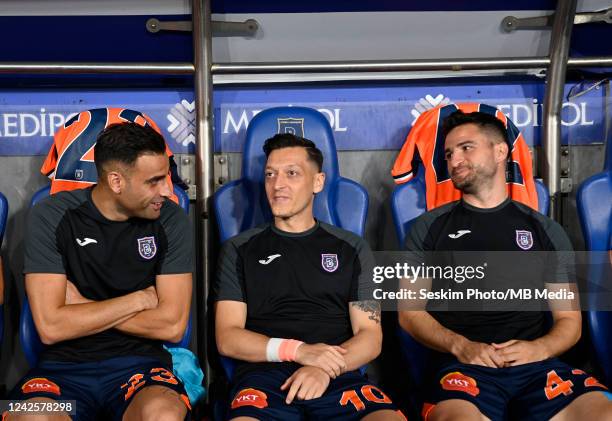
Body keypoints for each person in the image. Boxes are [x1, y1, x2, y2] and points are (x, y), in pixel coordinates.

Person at [398, 110, 612, 421]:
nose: (454, 159)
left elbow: (569, 320)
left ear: (500, 151)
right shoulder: (429, 228)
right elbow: (409, 313)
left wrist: (538, 349)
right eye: (448, 153)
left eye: (466, 148)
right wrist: (461, 346)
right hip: (463, 369)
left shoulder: (544, 230)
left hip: (538, 368)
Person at [6, 123, 193, 421]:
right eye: (154, 181)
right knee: (26, 416)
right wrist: (139, 300)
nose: (168, 190)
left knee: (164, 415)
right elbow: (50, 328)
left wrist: (80, 306)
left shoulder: (172, 219)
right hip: (60, 371)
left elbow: (171, 326)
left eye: (166, 177)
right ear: (116, 181)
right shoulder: (50, 214)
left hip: (141, 369)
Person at [214, 133, 404, 420]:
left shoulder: (352, 247)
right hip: (264, 378)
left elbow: (370, 335)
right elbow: (228, 337)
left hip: (337, 373)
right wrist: (299, 351)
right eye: (270, 174)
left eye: (292, 174)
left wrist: (322, 367)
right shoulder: (239, 250)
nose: (277, 185)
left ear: (318, 182)